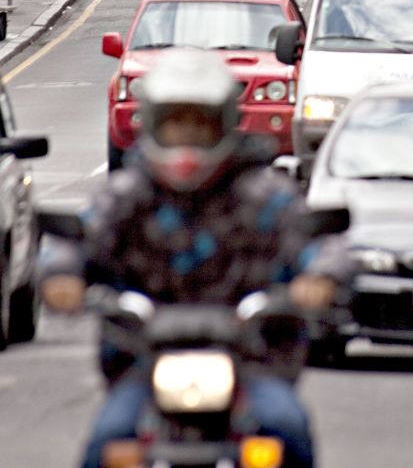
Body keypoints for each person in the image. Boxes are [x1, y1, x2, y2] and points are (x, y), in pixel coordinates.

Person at [38, 50, 351, 468]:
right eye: (174, 124)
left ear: (222, 125)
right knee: (108, 442)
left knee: (285, 428)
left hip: (251, 360)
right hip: (144, 363)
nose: (186, 139)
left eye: (199, 125)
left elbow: (319, 242)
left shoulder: (264, 195)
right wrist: (62, 275)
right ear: (152, 125)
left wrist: (321, 276)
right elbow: (77, 238)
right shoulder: (126, 195)